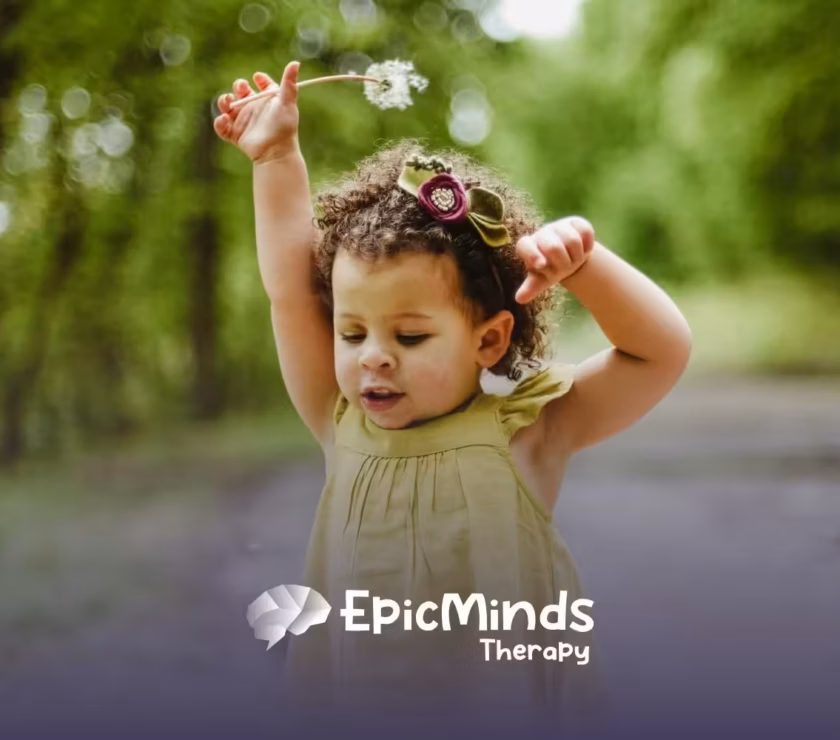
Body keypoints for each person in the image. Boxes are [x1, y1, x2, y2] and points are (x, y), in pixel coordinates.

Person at [214, 61, 692, 735]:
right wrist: (274, 158)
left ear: (489, 340)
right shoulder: (339, 421)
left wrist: (584, 266)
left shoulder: (527, 434)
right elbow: (292, 290)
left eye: (410, 336)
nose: (373, 356)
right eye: (351, 332)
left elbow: (659, 352)